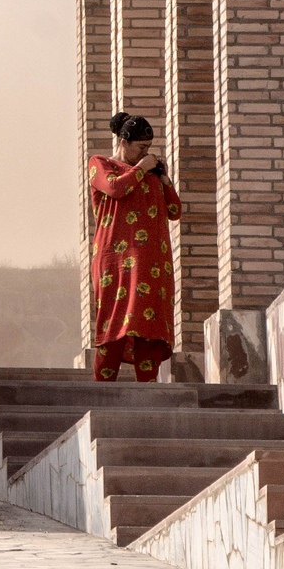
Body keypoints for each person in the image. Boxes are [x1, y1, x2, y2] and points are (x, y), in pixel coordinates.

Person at [89, 112, 183, 382]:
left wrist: (164, 179)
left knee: (148, 325)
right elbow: (115, 189)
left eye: (148, 148)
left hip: (151, 261)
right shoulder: (101, 164)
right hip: (114, 260)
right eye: (140, 147)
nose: (146, 153)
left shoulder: (149, 174)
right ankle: (103, 391)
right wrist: (141, 168)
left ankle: (148, 391)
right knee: (114, 322)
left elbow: (174, 211)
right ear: (123, 141)